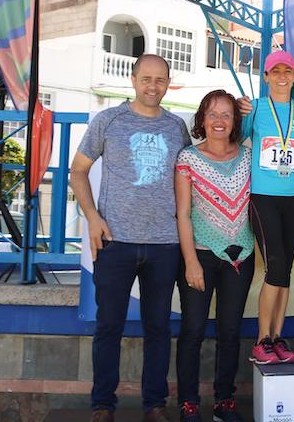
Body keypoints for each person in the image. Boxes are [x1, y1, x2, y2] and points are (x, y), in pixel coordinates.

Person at [71, 54, 191, 422]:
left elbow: (188, 179)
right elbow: (78, 171)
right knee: (109, 326)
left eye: (160, 79)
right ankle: (102, 405)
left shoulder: (177, 127)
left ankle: (154, 404)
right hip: (115, 241)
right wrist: (92, 218)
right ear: (133, 79)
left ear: (168, 81)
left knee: (159, 328)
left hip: (164, 244)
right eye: (146, 78)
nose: (153, 86)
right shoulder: (108, 120)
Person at [174, 90, 253, 422]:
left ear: (235, 121)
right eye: (212, 114)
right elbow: (182, 214)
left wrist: (251, 107)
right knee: (193, 331)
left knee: (230, 332)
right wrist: (190, 262)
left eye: (226, 115)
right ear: (201, 119)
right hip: (200, 256)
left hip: (241, 257)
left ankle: (224, 401)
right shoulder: (188, 159)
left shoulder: (248, 156)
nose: (219, 121)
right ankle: (188, 403)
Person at [243, 50, 294, 365]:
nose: (282, 77)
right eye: (276, 71)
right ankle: (262, 341)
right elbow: (232, 138)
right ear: (266, 76)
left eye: (288, 71)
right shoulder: (255, 109)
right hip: (264, 197)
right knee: (276, 266)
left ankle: (277, 338)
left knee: (286, 270)